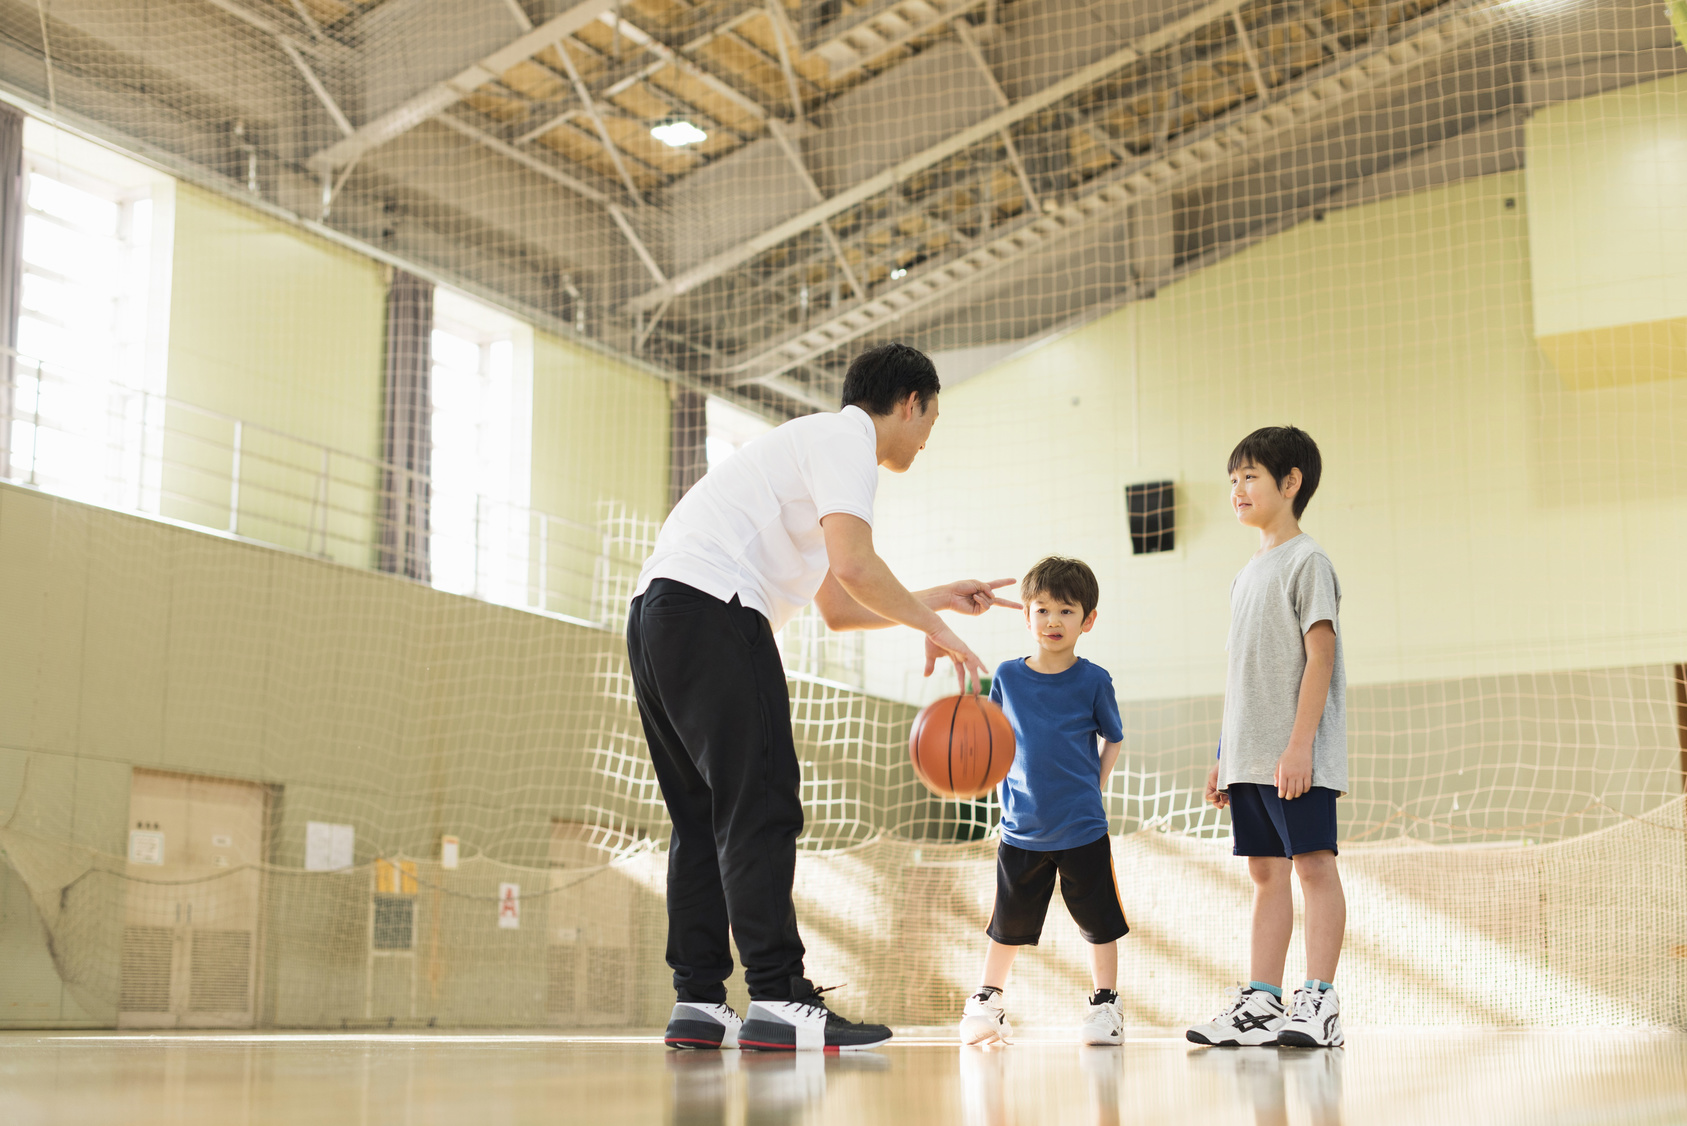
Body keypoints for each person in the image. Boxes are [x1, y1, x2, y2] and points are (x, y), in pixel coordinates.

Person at [627, 342, 1021, 1052]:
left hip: (659, 615)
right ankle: (779, 997)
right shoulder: (846, 439)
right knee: (762, 804)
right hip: (718, 613)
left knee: (701, 816)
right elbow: (856, 564)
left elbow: (839, 604)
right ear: (911, 403)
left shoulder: (802, 449)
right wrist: (935, 628)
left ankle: (699, 1002)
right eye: (930, 419)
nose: (927, 438)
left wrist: (935, 600)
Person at [1187, 426, 1348, 1049]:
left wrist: (1300, 745)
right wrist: (1223, 755)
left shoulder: (1308, 561)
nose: (1238, 489)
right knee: (1265, 873)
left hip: (1294, 756)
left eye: (1250, 476)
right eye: (1232, 480)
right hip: (1249, 757)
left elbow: (1321, 656)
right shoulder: (1244, 574)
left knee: (1313, 866)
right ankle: (1262, 1003)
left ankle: (1321, 1001)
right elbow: (1241, 674)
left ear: (1290, 483)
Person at [957, 556, 1129, 1048]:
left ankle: (1106, 1005)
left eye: (1066, 611)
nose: (1053, 621)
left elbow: (1113, 738)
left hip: (1082, 827)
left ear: (1087, 620)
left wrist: (1093, 788)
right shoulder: (1008, 677)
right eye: (1042, 610)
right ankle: (987, 1000)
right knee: (1006, 922)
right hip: (1021, 827)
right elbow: (991, 737)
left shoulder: (1094, 680)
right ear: (1026, 616)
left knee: (1099, 922)